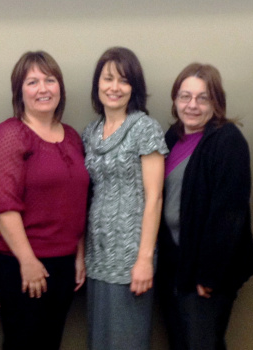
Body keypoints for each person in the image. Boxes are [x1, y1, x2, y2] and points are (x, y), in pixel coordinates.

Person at [0, 51, 89, 350]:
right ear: (20, 91)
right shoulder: (11, 134)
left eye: (50, 80)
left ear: (60, 87)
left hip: (63, 262)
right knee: (24, 343)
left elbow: (78, 201)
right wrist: (28, 261)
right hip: (20, 263)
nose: (43, 88)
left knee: (51, 342)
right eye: (32, 82)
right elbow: (3, 205)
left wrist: (79, 255)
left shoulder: (71, 137)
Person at [157, 63, 253, 350]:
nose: (192, 105)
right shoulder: (170, 139)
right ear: (175, 100)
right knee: (180, 343)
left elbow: (229, 214)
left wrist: (209, 275)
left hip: (209, 272)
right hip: (174, 267)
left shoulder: (228, 141)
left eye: (202, 98)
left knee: (203, 344)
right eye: (185, 96)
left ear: (216, 102)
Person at [82, 47, 168, 350]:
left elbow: (155, 197)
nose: (114, 87)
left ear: (135, 88)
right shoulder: (90, 133)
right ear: (97, 84)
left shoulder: (145, 128)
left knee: (126, 341)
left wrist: (144, 259)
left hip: (131, 256)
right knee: (100, 340)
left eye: (124, 80)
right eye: (108, 79)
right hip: (98, 253)